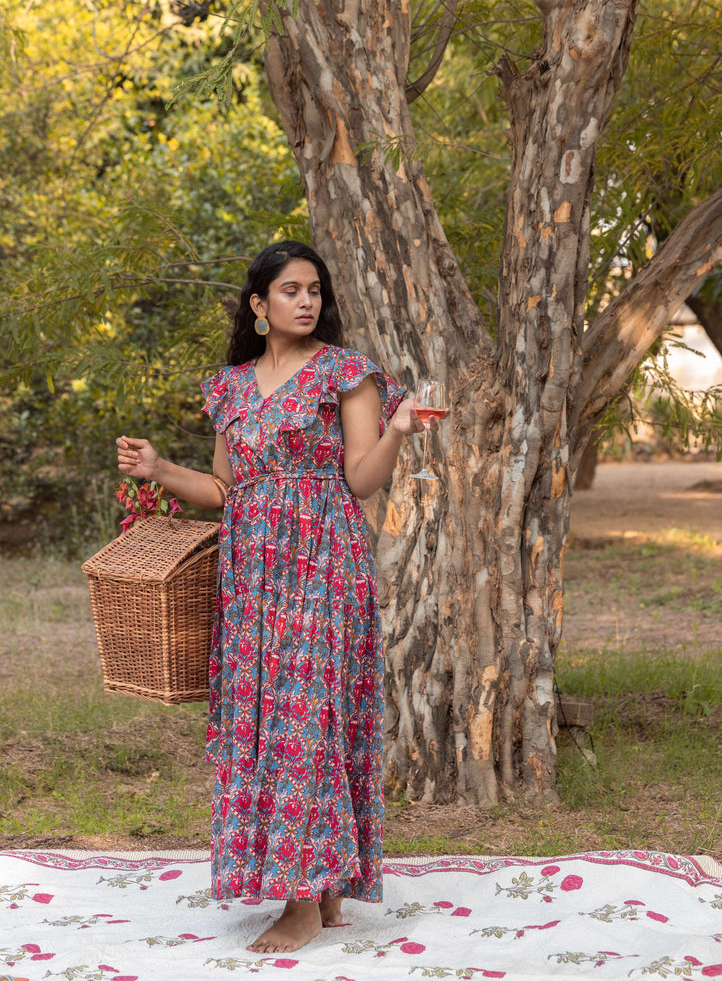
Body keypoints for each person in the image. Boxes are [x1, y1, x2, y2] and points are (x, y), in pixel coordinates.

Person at [115, 241, 425, 954]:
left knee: (305, 717)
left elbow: (361, 480)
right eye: (290, 290)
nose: (307, 301)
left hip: (322, 560)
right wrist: (160, 468)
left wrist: (397, 432)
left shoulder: (346, 372)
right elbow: (225, 489)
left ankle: (302, 901)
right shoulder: (229, 388)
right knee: (270, 718)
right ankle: (323, 884)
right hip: (252, 572)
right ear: (259, 305)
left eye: (314, 289)